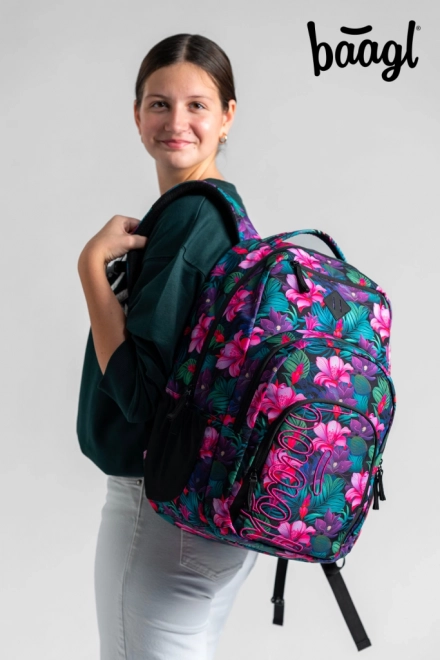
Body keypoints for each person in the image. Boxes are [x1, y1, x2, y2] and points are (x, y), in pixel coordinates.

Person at [76, 33, 259, 660]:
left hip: (158, 508)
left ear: (227, 116)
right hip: (212, 507)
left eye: (197, 105)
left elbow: (140, 395)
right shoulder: (230, 216)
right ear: (137, 115)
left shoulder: (189, 219)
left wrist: (90, 268)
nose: (176, 122)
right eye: (159, 104)